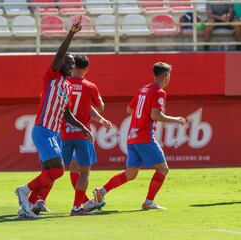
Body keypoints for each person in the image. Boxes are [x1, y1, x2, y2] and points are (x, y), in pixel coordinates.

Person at [14, 17, 94, 218]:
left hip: (54, 132)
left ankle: (28, 207)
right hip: (43, 130)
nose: (71, 64)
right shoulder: (51, 77)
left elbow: (67, 114)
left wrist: (82, 127)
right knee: (58, 170)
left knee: (49, 174)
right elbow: (59, 54)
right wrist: (71, 33)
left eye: (73, 63)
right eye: (68, 62)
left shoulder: (66, 86)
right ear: (60, 64)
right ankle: (24, 190)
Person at [92, 62, 187, 210]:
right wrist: (176, 120)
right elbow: (155, 115)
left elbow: (129, 109)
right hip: (144, 136)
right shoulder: (159, 92)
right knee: (163, 168)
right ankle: (149, 202)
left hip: (132, 135)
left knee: (131, 174)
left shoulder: (143, 89)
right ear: (166, 76)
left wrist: (143, 112)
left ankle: (101, 191)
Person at [61, 54, 112, 216]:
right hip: (82, 134)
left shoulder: (64, 83)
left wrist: (100, 119)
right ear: (86, 69)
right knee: (84, 171)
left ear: (72, 66)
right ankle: (77, 206)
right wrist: (100, 114)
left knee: (58, 169)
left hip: (63, 133)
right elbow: (100, 106)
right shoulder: (89, 86)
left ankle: (37, 199)